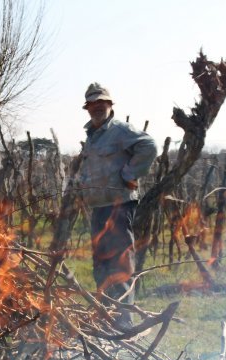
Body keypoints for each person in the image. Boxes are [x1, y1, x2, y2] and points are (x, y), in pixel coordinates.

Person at [74, 82, 157, 326]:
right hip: (99, 207)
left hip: (119, 206)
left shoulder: (120, 130)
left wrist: (130, 174)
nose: (98, 107)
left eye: (103, 103)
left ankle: (124, 323)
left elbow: (149, 146)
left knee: (119, 263)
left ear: (110, 105)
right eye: (93, 103)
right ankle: (106, 317)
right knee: (100, 264)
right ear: (87, 108)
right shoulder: (92, 135)